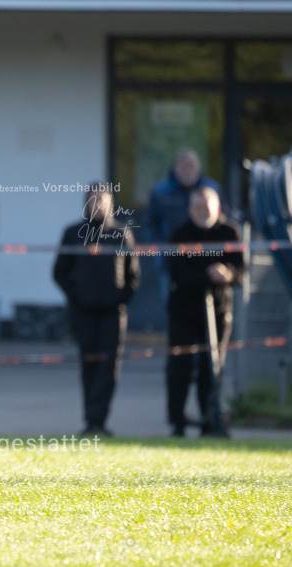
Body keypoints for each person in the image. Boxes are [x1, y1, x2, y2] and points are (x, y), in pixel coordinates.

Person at [53, 183, 140, 436]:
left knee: (109, 366)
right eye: (93, 200)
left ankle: (100, 420)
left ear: (111, 203)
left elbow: (133, 275)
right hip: (83, 312)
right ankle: (90, 420)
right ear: (85, 203)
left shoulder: (121, 234)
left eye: (102, 200)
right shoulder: (73, 233)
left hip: (113, 313)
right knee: (89, 363)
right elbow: (59, 272)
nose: (97, 205)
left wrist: (120, 299)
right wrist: (77, 296)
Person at [165, 186, 244, 437]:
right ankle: (177, 421)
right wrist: (207, 275)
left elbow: (241, 272)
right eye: (197, 207)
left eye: (206, 207)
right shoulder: (180, 233)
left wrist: (228, 274)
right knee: (180, 366)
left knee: (213, 367)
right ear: (190, 209)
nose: (202, 211)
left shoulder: (229, 232)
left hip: (218, 310)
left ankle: (210, 419)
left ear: (217, 207)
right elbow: (175, 270)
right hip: (184, 310)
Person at [147, 149, 224, 305]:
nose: (188, 171)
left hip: (207, 259)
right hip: (170, 260)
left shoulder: (212, 189)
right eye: (184, 167)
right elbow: (150, 225)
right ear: (175, 169)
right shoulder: (161, 192)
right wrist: (162, 246)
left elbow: (223, 220)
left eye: (192, 166)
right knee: (175, 307)